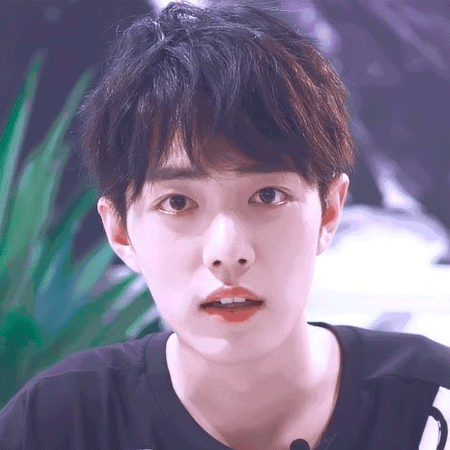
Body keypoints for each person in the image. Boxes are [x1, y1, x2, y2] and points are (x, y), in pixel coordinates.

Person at [1, 2, 449, 449]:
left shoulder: (434, 400)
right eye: (177, 203)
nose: (228, 252)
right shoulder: (57, 425)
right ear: (120, 231)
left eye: (268, 196)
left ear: (329, 211)